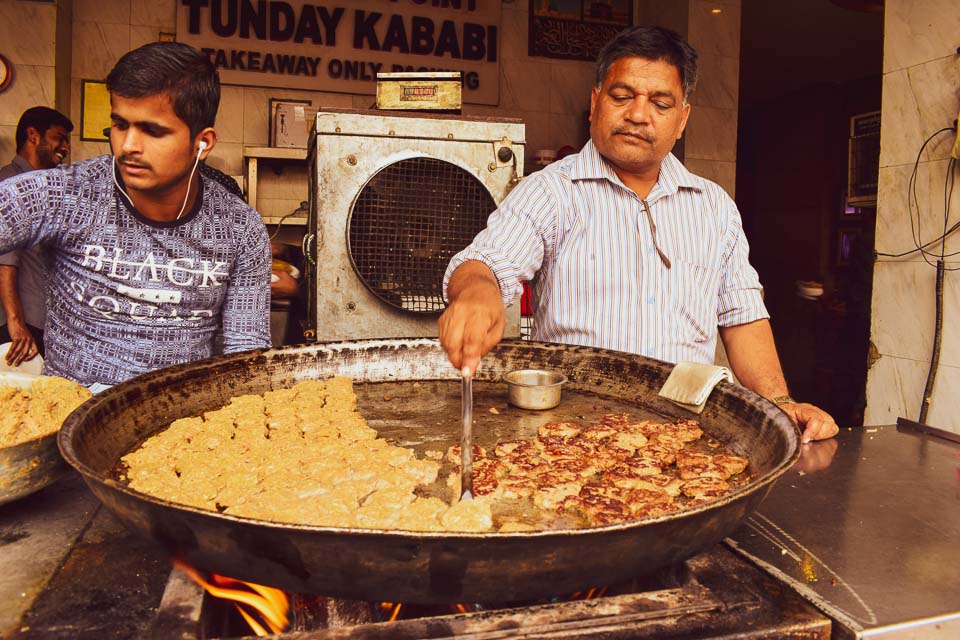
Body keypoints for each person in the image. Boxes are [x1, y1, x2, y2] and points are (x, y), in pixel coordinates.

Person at [439, 26, 838, 443]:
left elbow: (742, 317)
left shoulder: (714, 206)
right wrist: (475, 294)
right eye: (622, 96)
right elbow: (483, 263)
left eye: (660, 103)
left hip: (684, 439)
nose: (638, 115)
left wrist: (780, 400)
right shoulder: (552, 190)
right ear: (595, 103)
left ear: (682, 119)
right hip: (570, 436)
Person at [0, 42, 271, 389]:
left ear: (202, 143)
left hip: (177, 428)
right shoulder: (64, 195)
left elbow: (245, 359)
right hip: (71, 428)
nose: (128, 145)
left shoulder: (240, 229)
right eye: (120, 124)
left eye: (152, 130)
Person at [0, 106, 73, 366]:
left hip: (40, 318)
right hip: (23, 324)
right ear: (33, 135)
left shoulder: (41, 184)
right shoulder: (13, 185)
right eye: (59, 137)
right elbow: (5, 261)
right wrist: (17, 323)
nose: (65, 147)